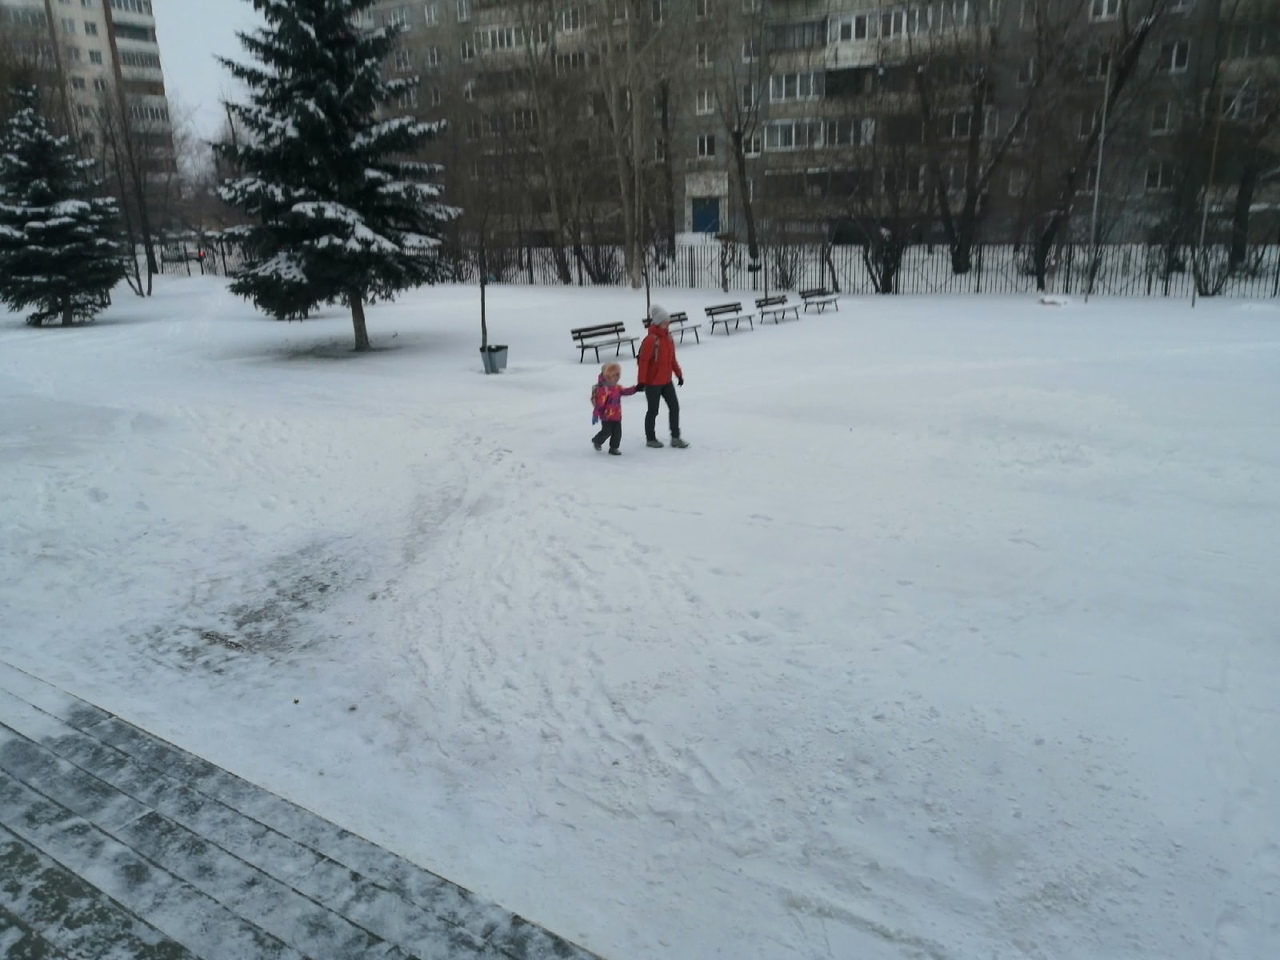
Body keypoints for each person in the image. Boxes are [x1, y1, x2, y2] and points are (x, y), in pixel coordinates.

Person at [637, 304, 689, 448]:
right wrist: (641, 382)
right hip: (652, 383)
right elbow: (643, 362)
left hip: (666, 381)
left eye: (668, 322)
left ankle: (675, 437)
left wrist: (678, 374)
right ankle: (650, 438)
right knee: (653, 411)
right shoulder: (651, 340)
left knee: (674, 407)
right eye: (664, 322)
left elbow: (672, 359)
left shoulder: (668, 338)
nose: (667, 324)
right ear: (657, 323)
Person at [590, 362, 641, 455]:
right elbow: (599, 404)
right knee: (607, 431)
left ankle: (614, 448)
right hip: (606, 416)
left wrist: (636, 388)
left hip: (617, 415)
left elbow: (626, 391)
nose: (616, 378)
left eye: (618, 375)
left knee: (617, 433)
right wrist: (595, 415)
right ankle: (597, 440)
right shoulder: (604, 390)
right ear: (607, 376)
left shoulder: (617, 387)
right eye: (613, 376)